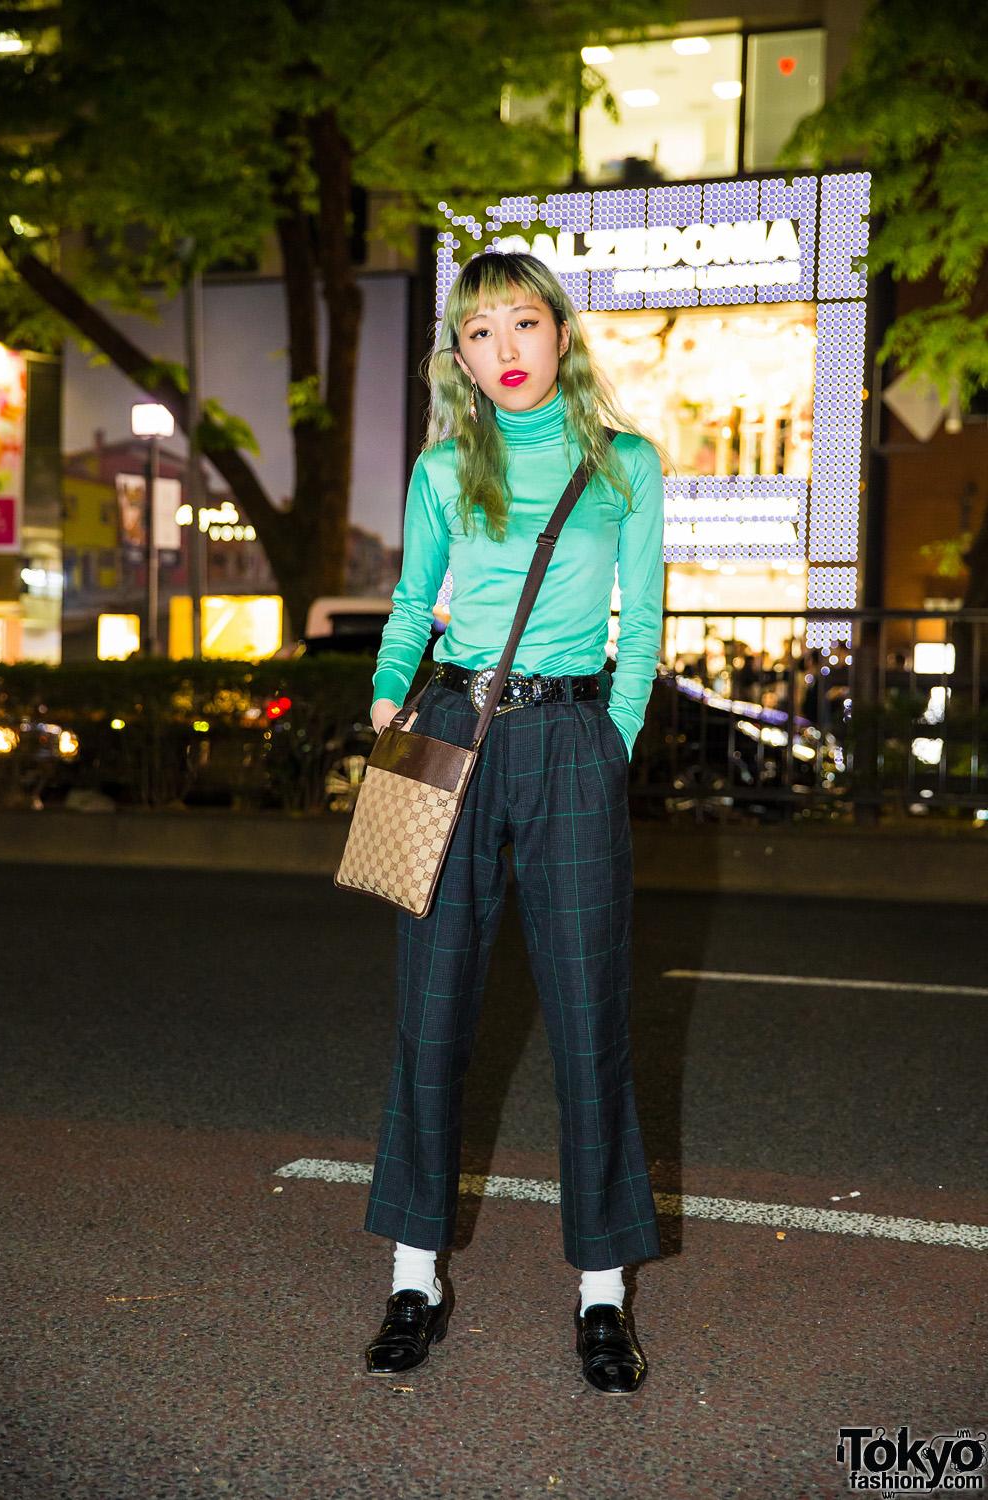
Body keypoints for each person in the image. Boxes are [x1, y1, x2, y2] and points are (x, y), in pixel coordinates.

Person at [363, 250, 665, 1395]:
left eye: (521, 324)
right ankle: (412, 1271)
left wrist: (611, 740)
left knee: (590, 1021)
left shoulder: (623, 465)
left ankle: (601, 1292)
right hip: (451, 733)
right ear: (460, 354)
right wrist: (390, 694)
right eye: (478, 333)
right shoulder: (444, 470)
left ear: (560, 333)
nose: (504, 351)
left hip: (570, 743)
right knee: (430, 1014)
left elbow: (640, 628)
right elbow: (409, 601)